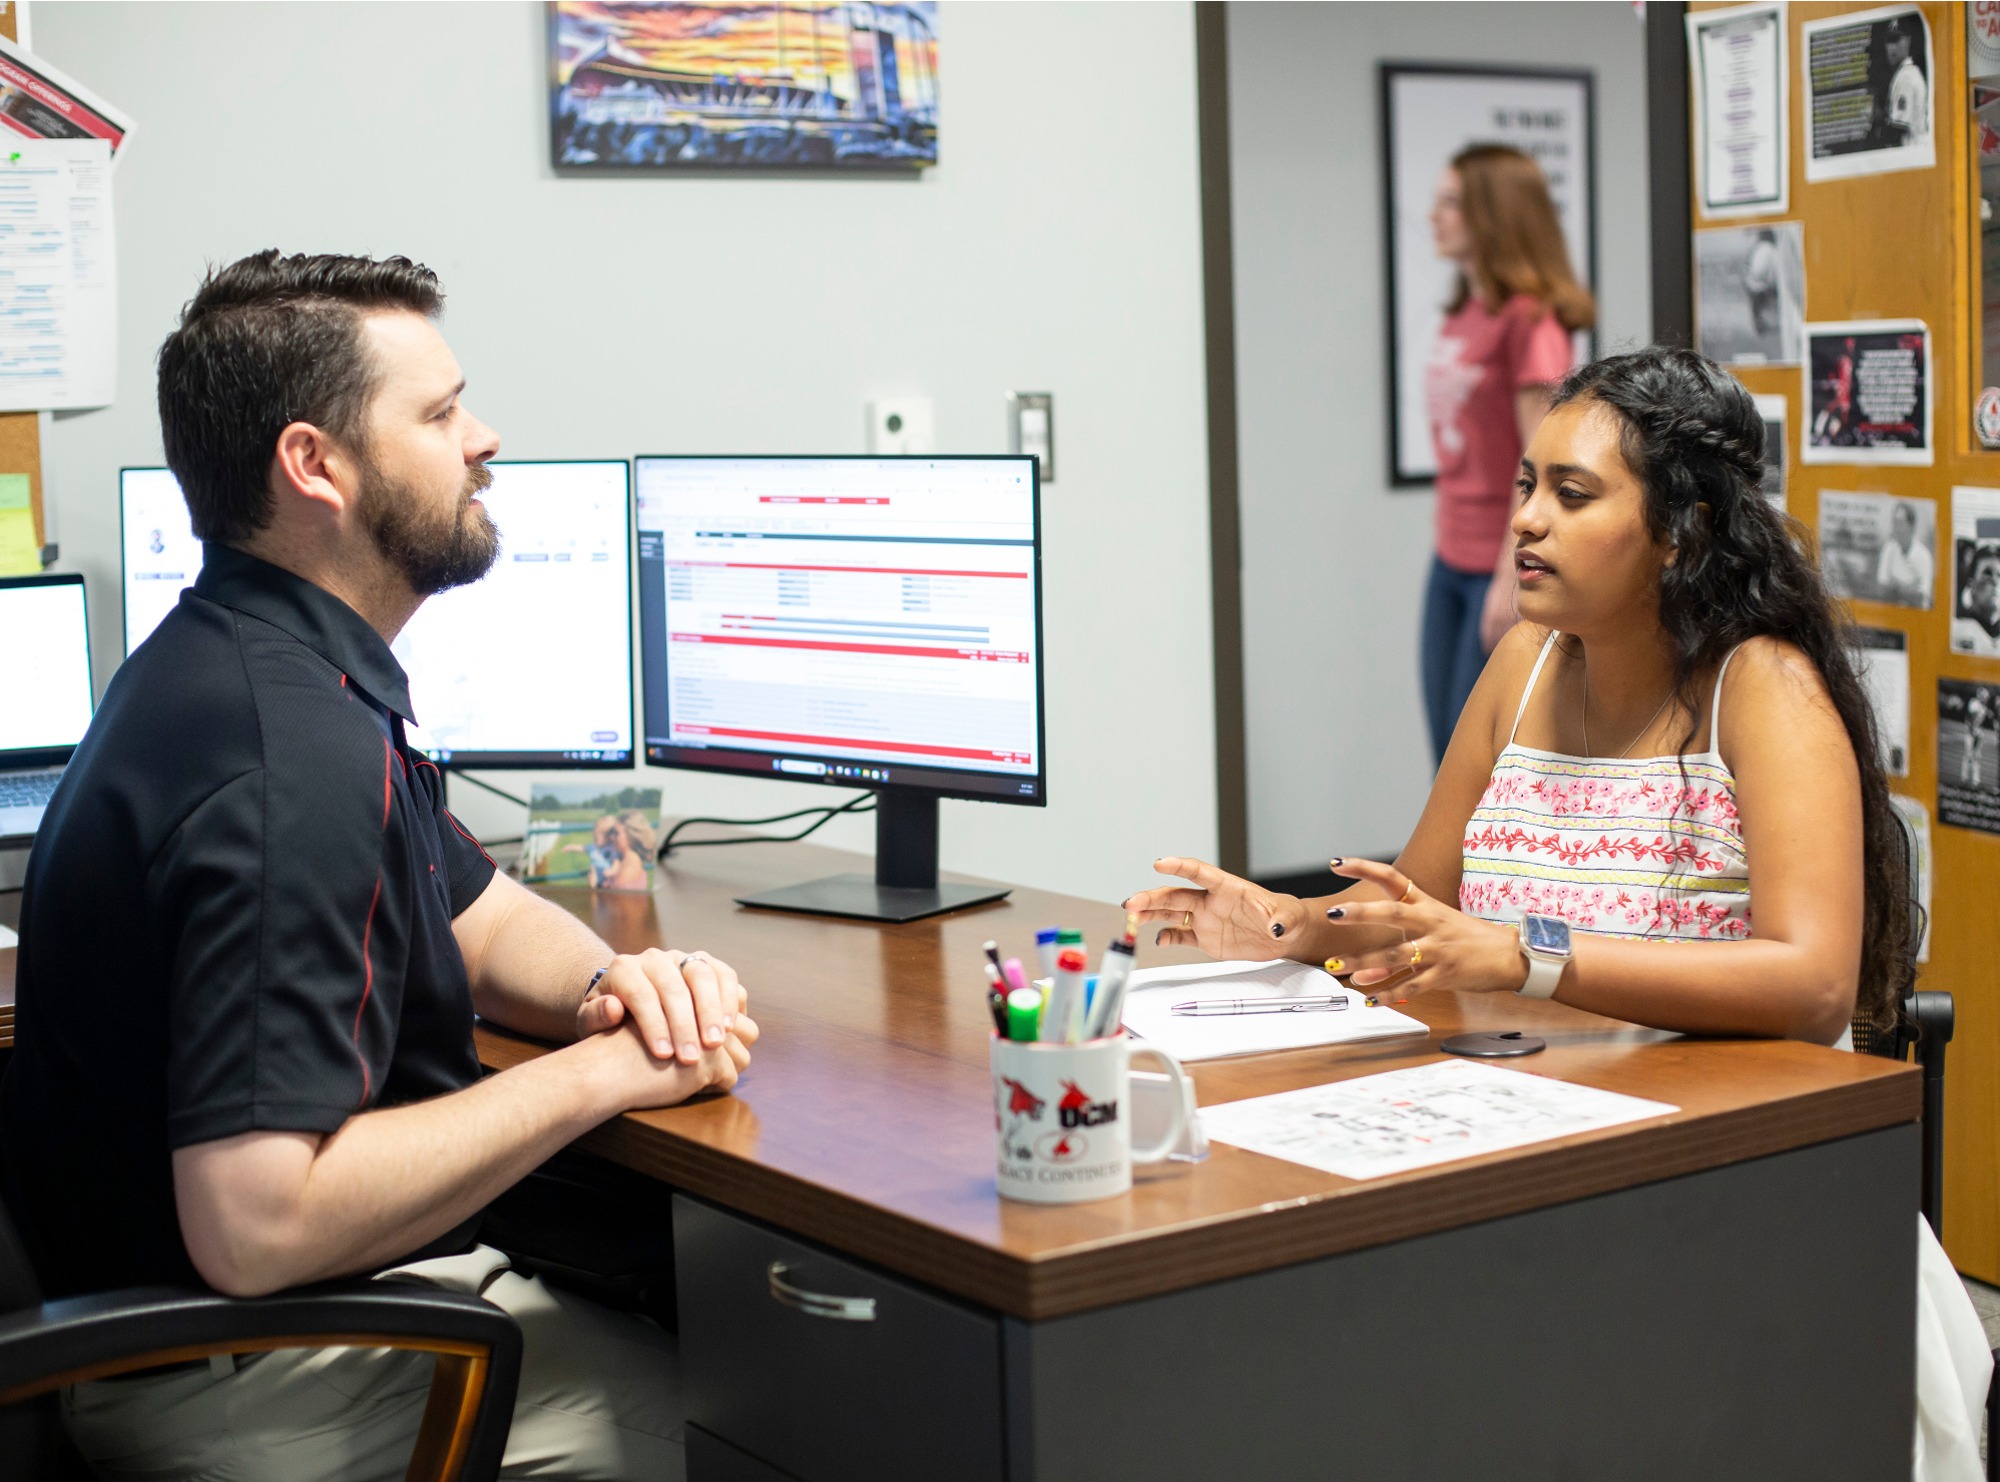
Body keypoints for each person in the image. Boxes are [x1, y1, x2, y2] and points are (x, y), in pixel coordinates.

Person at [1127, 346, 1990, 1479]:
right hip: (1524, 1149)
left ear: (1678, 529)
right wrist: (1281, 926)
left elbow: (1812, 979)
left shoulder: (1759, 686)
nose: (1525, 520)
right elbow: (1418, 912)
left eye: (1570, 495)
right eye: (1526, 485)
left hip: (1731, 1189)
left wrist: (1528, 957)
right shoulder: (1523, 664)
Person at [0, 252, 757, 1481]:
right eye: (440, 412)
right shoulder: (287, 758)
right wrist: (607, 1077)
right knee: (783, 1418)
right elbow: (258, 1226)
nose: (484, 438)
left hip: (250, 1335)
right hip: (264, 1368)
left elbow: (478, 914)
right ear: (316, 466)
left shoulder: (251, 667)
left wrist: (615, 988)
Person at [1420, 143, 1595, 766]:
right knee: (1445, 751)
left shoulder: (1531, 320)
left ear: (1492, 213)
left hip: (1497, 569)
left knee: (1475, 765)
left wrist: (1509, 576)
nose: (1432, 216)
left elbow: (1540, 464)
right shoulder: (1466, 311)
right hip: (1449, 558)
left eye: (1449, 203)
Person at [1875, 500, 1934, 607]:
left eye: (1900, 523)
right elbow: (1881, 589)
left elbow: (1922, 597)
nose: (1895, 528)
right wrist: (1909, 587)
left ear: (1911, 526)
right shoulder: (1888, 549)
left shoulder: (1924, 556)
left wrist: (1895, 586)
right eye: (1894, 523)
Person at [1885, 17, 1929, 146]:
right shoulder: (1907, 72)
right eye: (1889, 41)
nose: (1892, 47)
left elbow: (1898, 128)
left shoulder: (1906, 76)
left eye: (1896, 40)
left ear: (1907, 42)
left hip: (1911, 149)